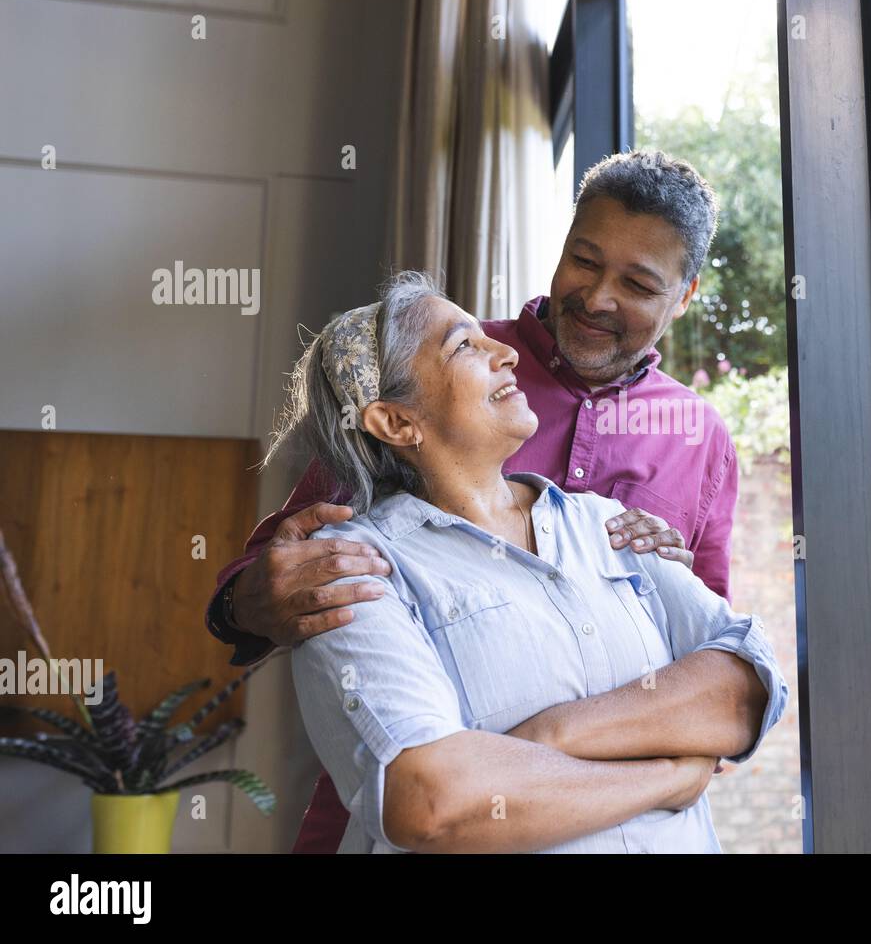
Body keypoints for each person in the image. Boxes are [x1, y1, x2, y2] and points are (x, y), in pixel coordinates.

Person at [206, 150, 745, 851]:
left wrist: (660, 611)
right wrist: (252, 598)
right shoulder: (446, 374)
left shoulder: (699, 440)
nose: (597, 297)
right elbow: (282, 565)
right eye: (584, 260)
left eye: (638, 283)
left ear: (685, 294)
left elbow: (717, 670)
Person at [280, 286, 788, 852]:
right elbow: (431, 802)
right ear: (397, 422)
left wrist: (550, 734)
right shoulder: (350, 569)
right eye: (464, 347)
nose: (505, 352)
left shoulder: (609, 526)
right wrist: (667, 775)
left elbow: (747, 690)